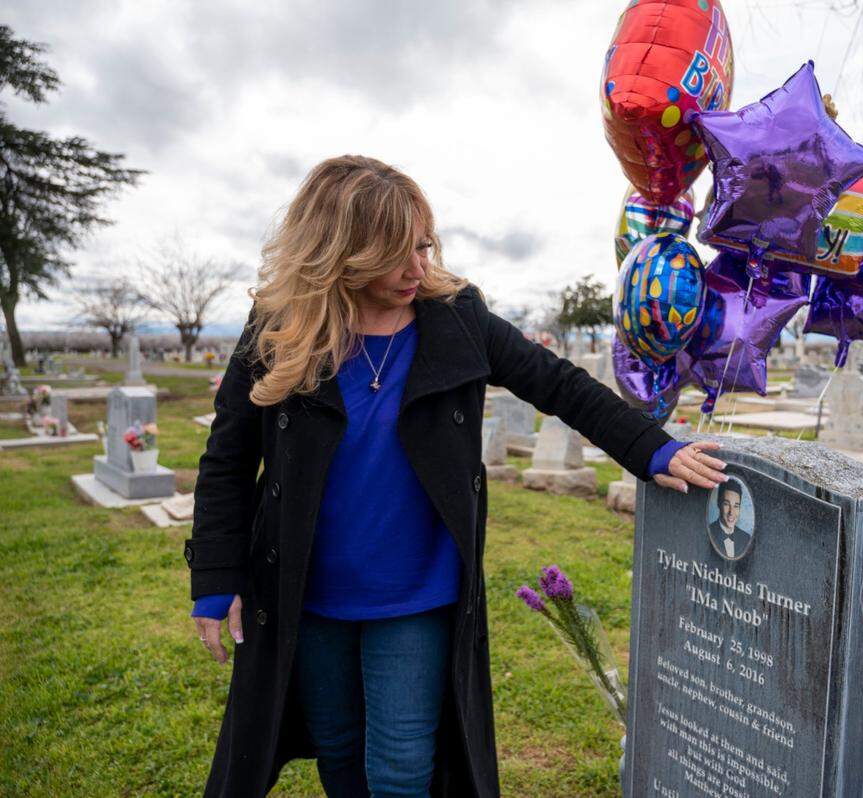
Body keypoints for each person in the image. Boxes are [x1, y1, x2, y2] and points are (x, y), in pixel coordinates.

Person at [184, 155, 728, 798]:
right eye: (395, 254)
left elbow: (559, 384)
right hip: (308, 592)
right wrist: (216, 578)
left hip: (418, 595)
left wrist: (651, 449)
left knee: (401, 769)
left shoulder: (456, 318)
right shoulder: (280, 330)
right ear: (340, 253)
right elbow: (227, 458)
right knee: (337, 748)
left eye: (423, 245)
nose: (418, 268)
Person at [708, 479, 752, 560]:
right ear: (718, 503)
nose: (731, 512)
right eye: (726, 504)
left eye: (736, 506)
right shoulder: (708, 532)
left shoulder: (746, 538)